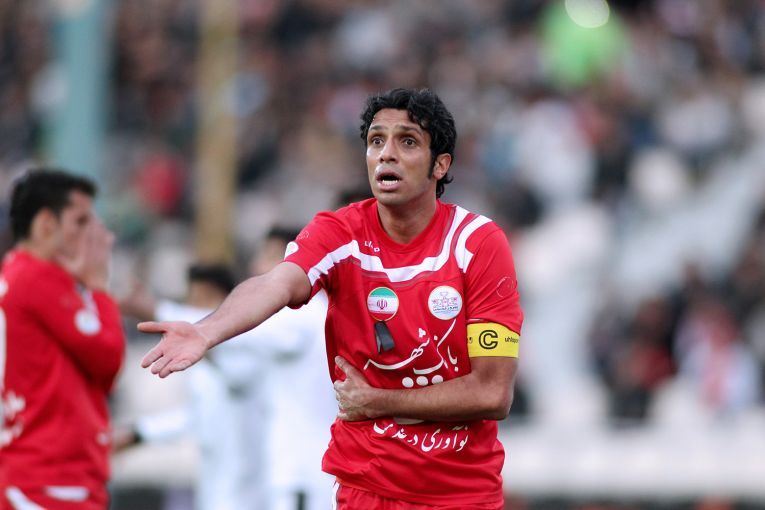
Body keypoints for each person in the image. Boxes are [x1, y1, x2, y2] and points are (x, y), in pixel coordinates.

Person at [140, 88, 524, 509]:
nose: (387, 154)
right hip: (366, 488)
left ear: (441, 164)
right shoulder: (341, 233)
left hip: (461, 494)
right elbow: (276, 284)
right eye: (376, 141)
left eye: (407, 141)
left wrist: (379, 402)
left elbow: (493, 394)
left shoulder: (478, 244)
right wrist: (206, 331)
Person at [0, 169, 125, 510]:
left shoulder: (20, 274)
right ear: (46, 224)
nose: (95, 235)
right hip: (49, 481)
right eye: (81, 221)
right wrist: (98, 287)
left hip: (44, 477)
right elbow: (108, 358)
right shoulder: (37, 279)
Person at [249, 227, 334, 510]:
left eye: (270, 257)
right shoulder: (317, 310)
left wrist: (169, 317)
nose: (258, 266)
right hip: (304, 468)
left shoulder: (299, 314)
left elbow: (236, 336)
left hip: (302, 474)